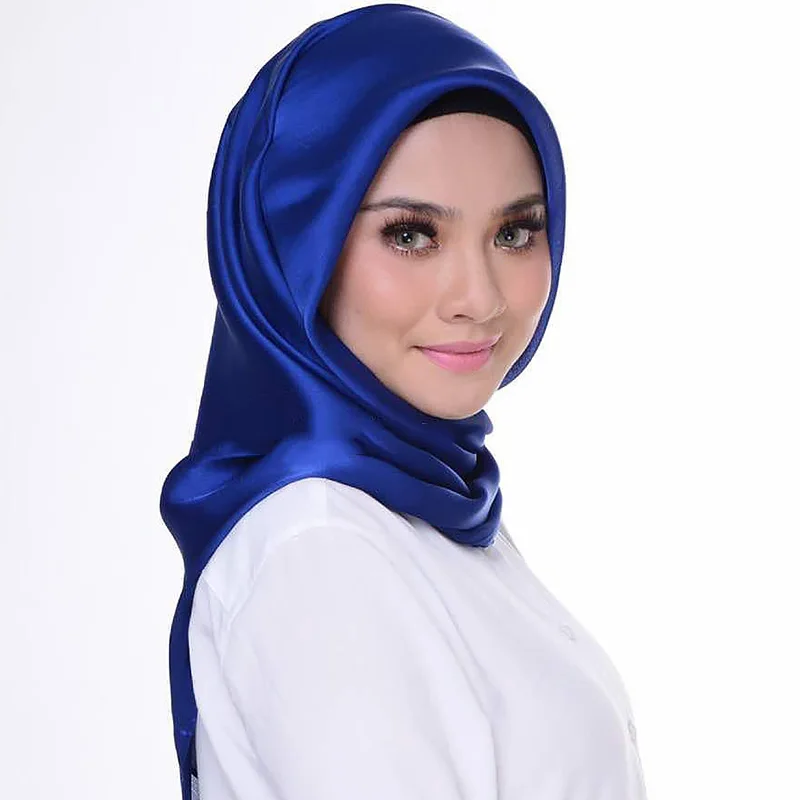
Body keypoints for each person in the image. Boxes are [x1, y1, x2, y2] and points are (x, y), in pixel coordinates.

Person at [160, 4, 648, 799]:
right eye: (413, 234)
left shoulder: (425, 501)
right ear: (296, 250)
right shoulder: (321, 553)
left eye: (515, 232)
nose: (478, 298)